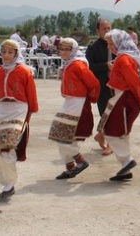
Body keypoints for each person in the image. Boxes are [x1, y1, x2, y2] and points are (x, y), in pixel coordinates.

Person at [0, 40, 39, 200]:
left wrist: (30, 112)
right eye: (3, 52)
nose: (6, 55)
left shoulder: (24, 72)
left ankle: (9, 184)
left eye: (10, 52)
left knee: (8, 145)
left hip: (19, 109)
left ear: (16, 53)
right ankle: (5, 181)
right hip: (3, 108)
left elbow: (31, 94)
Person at [98, 29, 140, 182]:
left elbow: (134, 81)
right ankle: (125, 165)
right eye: (108, 43)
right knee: (119, 132)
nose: (109, 47)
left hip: (123, 99)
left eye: (111, 43)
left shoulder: (123, 59)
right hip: (121, 98)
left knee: (110, 130)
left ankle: (126, 160)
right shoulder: (123, 58)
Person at [48, 38, 99, 179]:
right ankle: (70, 166)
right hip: (70, 101)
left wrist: (91, 99)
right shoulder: (69, 64)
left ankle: (79, 160)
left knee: (60, 134)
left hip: (78, 103)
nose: (63, 52)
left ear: (74, 50)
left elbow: (94, 83)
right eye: (61, 48)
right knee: (61, 135)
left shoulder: (78, 65)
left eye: (66, 49)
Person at [85, 18, 114, 155]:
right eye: (104, 29)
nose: (107, 31)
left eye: (109, 28)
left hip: (115, 86)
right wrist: (105, 66)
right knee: (105, 114)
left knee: (113, 115)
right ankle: (109, 144)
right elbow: (89, 66)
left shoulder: (116, 45)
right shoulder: (93, 48)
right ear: (98, 31)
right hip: (101, 86)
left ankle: (100, 135)